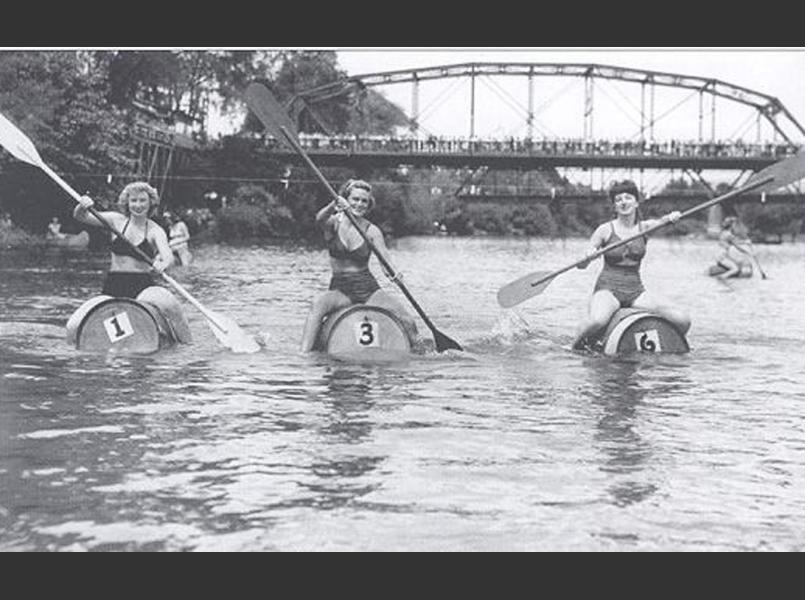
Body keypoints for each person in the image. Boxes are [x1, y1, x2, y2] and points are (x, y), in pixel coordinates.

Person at [300, 178, 418, 352]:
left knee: (407, 319)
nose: (359, 204)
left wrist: (395, 274)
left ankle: (423, 351)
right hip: (340, 289)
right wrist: (333, 205)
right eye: (355, 199)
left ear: (369, 204)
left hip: (367, 289)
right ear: (346, 199)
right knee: (317, 305)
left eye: (364, 201)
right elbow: (319, 219)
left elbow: (386, 263)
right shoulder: (333, 224)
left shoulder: (372, 231)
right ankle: (304, 354)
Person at [574, 180, 691, 348]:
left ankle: (671, 344)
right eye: (618, 199)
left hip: (636, 291)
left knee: (682, 319)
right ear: (615, 206)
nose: (623, 202)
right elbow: (581, 265)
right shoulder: (605, 230)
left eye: (628, 198)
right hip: (608, 289)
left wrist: (672, 217)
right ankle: (572, 347)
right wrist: (587, 257)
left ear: (636, 202)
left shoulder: (646, 228)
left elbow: (664, 220)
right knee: (597, 321)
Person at [72, 181, 192, 343]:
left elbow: (168, 257)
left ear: (150, 203)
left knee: (169, 304)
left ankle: (187, 343)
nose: (138, 205)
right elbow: (81, 217)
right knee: (74, 323)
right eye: (134, 200)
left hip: (142, 286)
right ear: (127, 203)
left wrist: (162, 265)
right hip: (113, 285)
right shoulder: (116, 220)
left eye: (143, 200)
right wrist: (82, 206)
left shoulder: (155, 230)